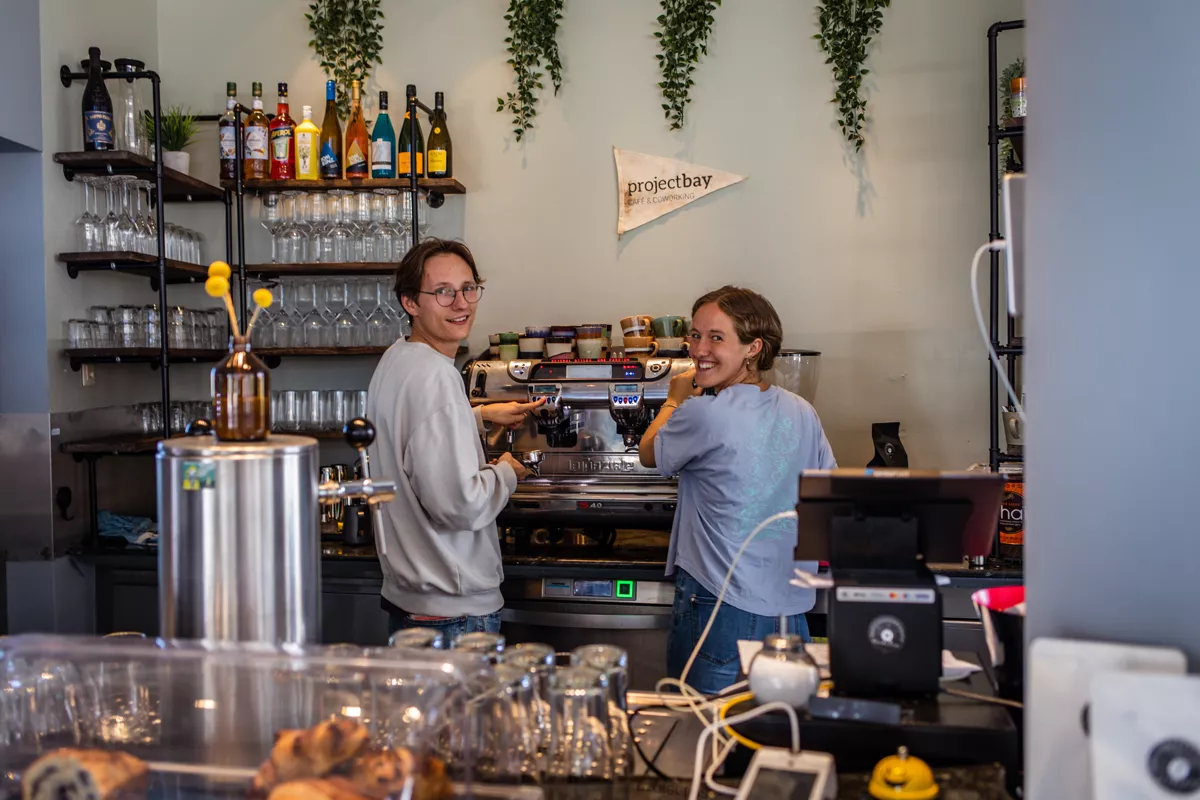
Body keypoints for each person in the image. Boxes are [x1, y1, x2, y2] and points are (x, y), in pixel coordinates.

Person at [638, 285, 837, 695]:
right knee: (776, 731)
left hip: (718, 606)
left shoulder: (702, 412)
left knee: (704, 737)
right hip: (790, 611)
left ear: (753, 348)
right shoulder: (802, 410)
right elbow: (827, 494)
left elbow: (648, 454)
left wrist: (673, 399)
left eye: (716, 337)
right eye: (694, 335)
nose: (699, 349)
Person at [367, 238, 543, 641]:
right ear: (411, 302)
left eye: (468, 288)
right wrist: (508, 472)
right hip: (454, 613)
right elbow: (459, 506)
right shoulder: (438, 377)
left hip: (412, 601)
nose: (461, 303)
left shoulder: (398, 358)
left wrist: (476, 416)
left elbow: (410, 435)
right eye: (443, 292)